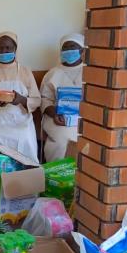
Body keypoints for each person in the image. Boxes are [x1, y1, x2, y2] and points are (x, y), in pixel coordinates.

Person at [0, 32, 41, 162]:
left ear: (15, 49)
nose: (3, 51)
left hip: (20, 117)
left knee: (24, 136)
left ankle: (25, 172)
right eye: (0, 48)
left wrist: (21, 100)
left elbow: (36, 99)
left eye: (8, 48)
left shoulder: (25, 71)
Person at [41, 33, 84, 162]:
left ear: (82, 49)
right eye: (65, 48)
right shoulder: (53, 73)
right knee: (62, 137)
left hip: (83, 118)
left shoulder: (91, 72)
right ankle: (57, 175)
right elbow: (45, 98)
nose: (69, 50)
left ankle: (81, 176)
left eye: (73, 46)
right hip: (57, 117)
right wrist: (54, 112)